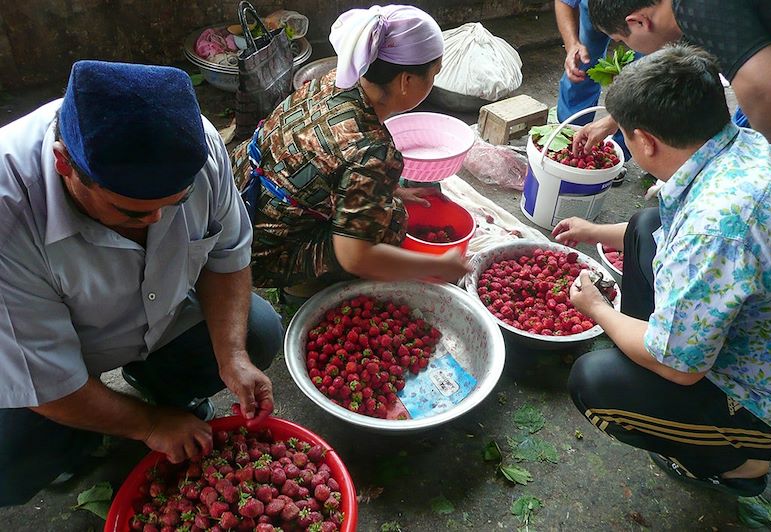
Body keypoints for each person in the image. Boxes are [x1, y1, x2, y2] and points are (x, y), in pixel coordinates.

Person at [0, 60, 284, 506]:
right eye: (133, 212)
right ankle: (83, 439)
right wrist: (149, 425)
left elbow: (227, 255)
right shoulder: (9, 214)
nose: (157, 220)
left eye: (176, 204)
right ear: (63, 165)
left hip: (162, 315)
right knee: (8, 468)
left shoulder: (199, 149)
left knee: (259, 332)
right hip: (51, 349)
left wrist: (232, 357)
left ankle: (162, 390)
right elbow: (44, 378)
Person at [554, 45, 771, 497]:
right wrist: (593, 230)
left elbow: (681, 367)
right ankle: (656, 353)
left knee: (596, 382)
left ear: (645, 141)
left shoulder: (718, 229)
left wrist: (598, 309)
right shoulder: (742, 148)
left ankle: (740, 465)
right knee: (645, 225)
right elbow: (675, 229)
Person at [231, 5, 471, 296]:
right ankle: (302, 288)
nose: (433, 83)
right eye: (433, 74)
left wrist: (391, 189)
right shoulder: (374, 150)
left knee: (388, 207)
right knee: (391, 223)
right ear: (406, 81)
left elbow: (325, 160)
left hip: (239, 194)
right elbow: (356, 256)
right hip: (258, 252)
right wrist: (437, 266)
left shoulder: (334, 81)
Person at [579, 0, 771, 160]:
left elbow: (768, 88)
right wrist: (615, 119)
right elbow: (673, 69)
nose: (625, 46)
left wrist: (764, 164)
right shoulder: (685, 15)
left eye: (620, 40)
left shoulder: (694, 8)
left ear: (638, 22)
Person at [555, 0, 634, 181]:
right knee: (581, 63)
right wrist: (572, 44)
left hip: (644, 16)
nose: (616, 40)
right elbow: (564, 2)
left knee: (640, 72)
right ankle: (570, 134)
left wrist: (614, 121)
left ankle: (619, 148)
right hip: (593, 9)